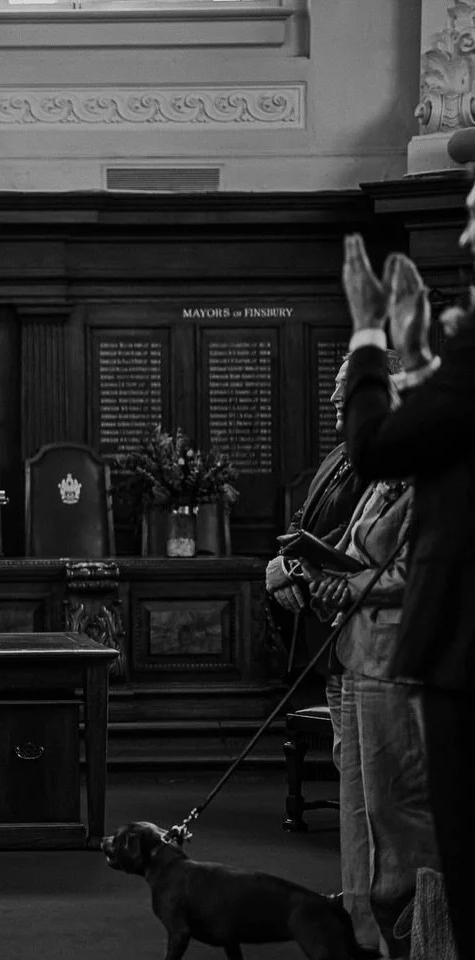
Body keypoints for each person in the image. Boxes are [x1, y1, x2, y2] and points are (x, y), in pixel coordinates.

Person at [340, 228, 475, 960]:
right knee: (385, 816)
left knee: (424, 826)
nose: (465, 232)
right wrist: (423, 362)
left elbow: (380, 450)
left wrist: (369, 327)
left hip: (449, 641)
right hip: (414, 644)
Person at [300, 468, 430, 957]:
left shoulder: (434, 482)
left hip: (395, 660)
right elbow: (354, 550)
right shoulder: (380, 483)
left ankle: (406, 935)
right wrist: (328, 578)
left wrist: (350, 586)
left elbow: (415, 571)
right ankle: (359, 928)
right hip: (355, 651)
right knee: (357, 803)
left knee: (391, 809)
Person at [265, 354, 389, 768]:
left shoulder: (388, 461)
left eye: (346, 386)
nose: (334, 394)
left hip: (366, 631)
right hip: (329, 637)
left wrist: (291, 571)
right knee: (347, 759)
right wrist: (281, 561)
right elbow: (303, 524)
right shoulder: (340, 454)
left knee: (365, 766)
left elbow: (350, 542)